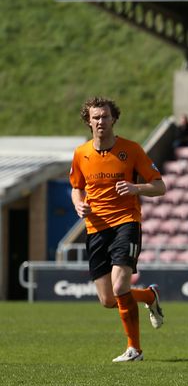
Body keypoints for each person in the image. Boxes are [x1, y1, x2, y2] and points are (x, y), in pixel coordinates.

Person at [69, 97, 166, 362]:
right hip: (95, 228)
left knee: (120, 284)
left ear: (114, 119)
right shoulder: (81, 154)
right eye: (96, 117)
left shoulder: (131, 150)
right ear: (88, 121)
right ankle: (149, 295)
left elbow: (160, 186)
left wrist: (136, 188)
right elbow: (77, 188)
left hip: (126, 222)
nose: (101, 121)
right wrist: (79, 205)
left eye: (105, 116)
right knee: (108, 300)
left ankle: (134, 349)